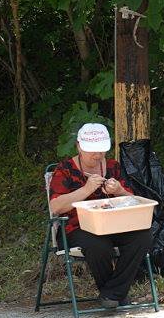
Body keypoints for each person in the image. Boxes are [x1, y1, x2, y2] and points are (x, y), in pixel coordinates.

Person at [49, 122, 152, 308]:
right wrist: (86, 189)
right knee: (98, 243)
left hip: (113, 225)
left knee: (143, 235)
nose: (97, 156)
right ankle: (115, 295)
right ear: (79, 146)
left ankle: (112, 293)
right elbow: (56, 207)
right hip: (76, 228)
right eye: (92, 151)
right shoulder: (64, 169)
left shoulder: (113, 166)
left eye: (101, 151)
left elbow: (134, 201)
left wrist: (119, 190)